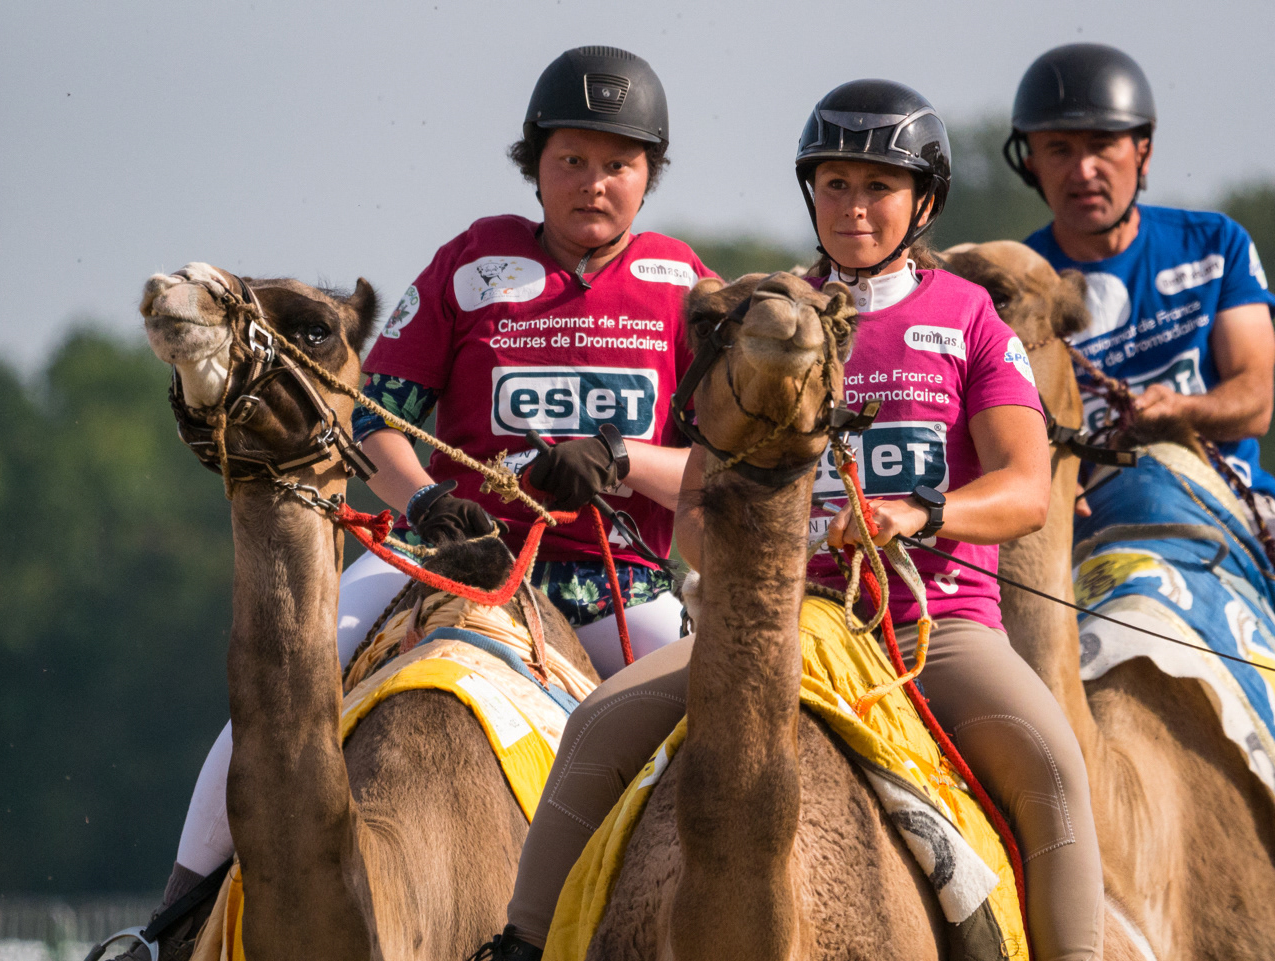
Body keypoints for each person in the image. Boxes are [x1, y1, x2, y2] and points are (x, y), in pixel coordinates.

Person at [475, 80, 1104, 961]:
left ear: (924, 202)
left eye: (878, 187)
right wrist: (744, 552)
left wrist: (916, 513)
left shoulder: (970, 319)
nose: (854, 207)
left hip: (934, 629)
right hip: (776, 622)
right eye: (835, 184)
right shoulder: (765, 321)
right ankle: (519, 945)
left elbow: (1027, 489)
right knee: (594, 728)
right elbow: (696, 507)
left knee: (1052, 764)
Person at [118, 46, 711, 961]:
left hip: (614, 588)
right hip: (445, 559)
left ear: (650, 174)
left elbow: (720, 468)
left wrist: (621, 459)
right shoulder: (471, 263)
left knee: (726, 736)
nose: (593, 183)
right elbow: (374, 420)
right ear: (536, 163)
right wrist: (429, 499)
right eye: (571, 160)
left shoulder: (686, 286)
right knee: (273, 707)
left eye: (618, 164)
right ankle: (167, 929)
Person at [1005, 43, 1275, 522]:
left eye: (1102, 145)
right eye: (1060, 149)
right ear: (1032, 164)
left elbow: (1256, 402)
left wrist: (1181, 410)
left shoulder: (1215, 244)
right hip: (1086, 521)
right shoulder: (1014, 287)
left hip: (1233, 502)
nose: (1083, 170)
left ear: (1142, 152)